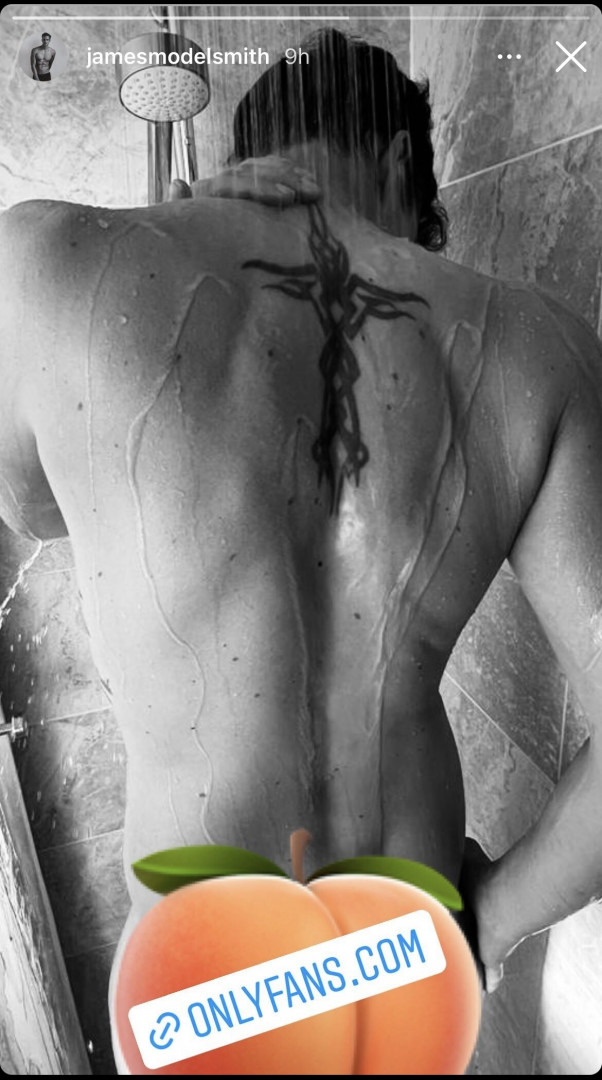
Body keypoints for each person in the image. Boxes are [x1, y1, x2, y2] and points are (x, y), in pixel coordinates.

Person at [0, 27, 601, 1071]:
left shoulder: (41, 265)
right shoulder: (536, 348)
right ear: (398, 162)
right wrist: (488, 924)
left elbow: (34, 508)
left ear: (252, 144)